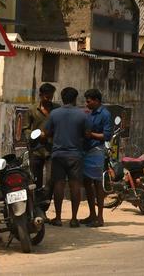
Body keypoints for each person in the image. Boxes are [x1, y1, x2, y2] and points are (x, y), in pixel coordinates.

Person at [43, 86, 90, 227]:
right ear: (75, 99)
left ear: (62, 99)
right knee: (75, 186)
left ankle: (58, 218)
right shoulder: (82, 115)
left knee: (59, 185)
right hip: (75, 155)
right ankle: (74, 219)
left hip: (58, 154)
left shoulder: (54, 114)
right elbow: (87, 134)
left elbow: (46, 133)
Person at [81, 88, 112, 227]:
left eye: (89, 101)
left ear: (97, 101)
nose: (87, 104)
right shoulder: (89, 113)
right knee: (87, 183)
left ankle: (100, 218)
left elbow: (106, 136)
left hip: (96, 151)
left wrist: (91, 135)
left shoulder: (105, 114)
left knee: (98, 184)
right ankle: (92, 214)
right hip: (86, 150)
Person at [25, 83, 56, 199]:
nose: (49, 99)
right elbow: (25, 129)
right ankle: (36, 204)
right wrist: (36, 135)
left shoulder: (57, 110)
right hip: (36, 149)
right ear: (41, 95)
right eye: (47, 97)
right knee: (35, 179)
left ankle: (45, 202)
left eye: (51, 97)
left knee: (51, 179)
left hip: (52, 149)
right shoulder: (32, 110)